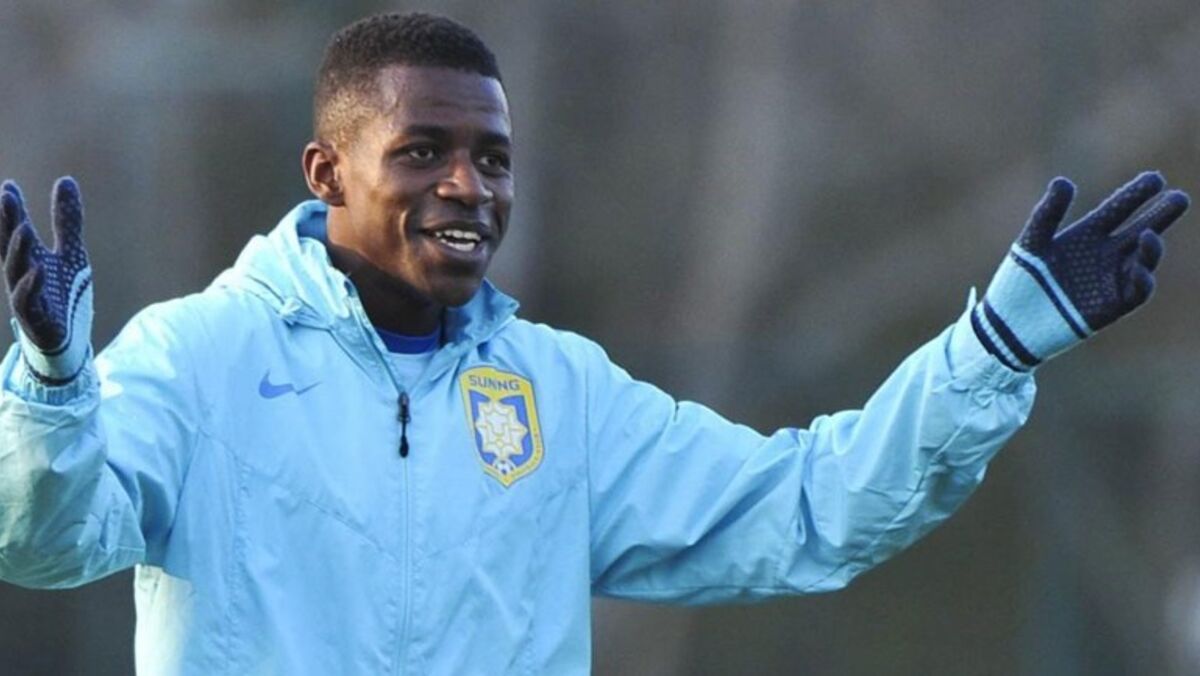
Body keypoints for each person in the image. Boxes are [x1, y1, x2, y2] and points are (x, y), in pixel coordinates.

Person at [0, 11, 1189, 676]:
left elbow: (808, 509)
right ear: (327, 171)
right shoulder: (198, 357)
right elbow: (47, 542)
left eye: (493, 158)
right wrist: (53, 388)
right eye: (422, 151)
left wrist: (998, 347)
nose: (468, 186)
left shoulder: (558, 392)